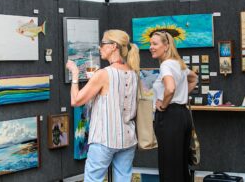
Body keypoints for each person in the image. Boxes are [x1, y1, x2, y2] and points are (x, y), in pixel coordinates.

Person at [66, 29, 140, 182]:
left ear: (114, 46)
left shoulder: (103, 74)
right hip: (128, 139)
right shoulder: (134, 73)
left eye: (102, 44)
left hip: (104, 139)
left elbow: (76, 100)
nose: (99, 48)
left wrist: (74, 74)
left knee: (93, 179)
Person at [150, 31, 198, 182]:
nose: (151, 47)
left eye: (155, 44)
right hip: (182, 115)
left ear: (166, 46)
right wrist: (180, 95)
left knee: (169, 166)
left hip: (169, 117)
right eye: (150, 44)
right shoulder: (179, 64)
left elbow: (170, 88)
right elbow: (194, 78)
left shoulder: (166, 65)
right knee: (181, 165)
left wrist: (164, 105)